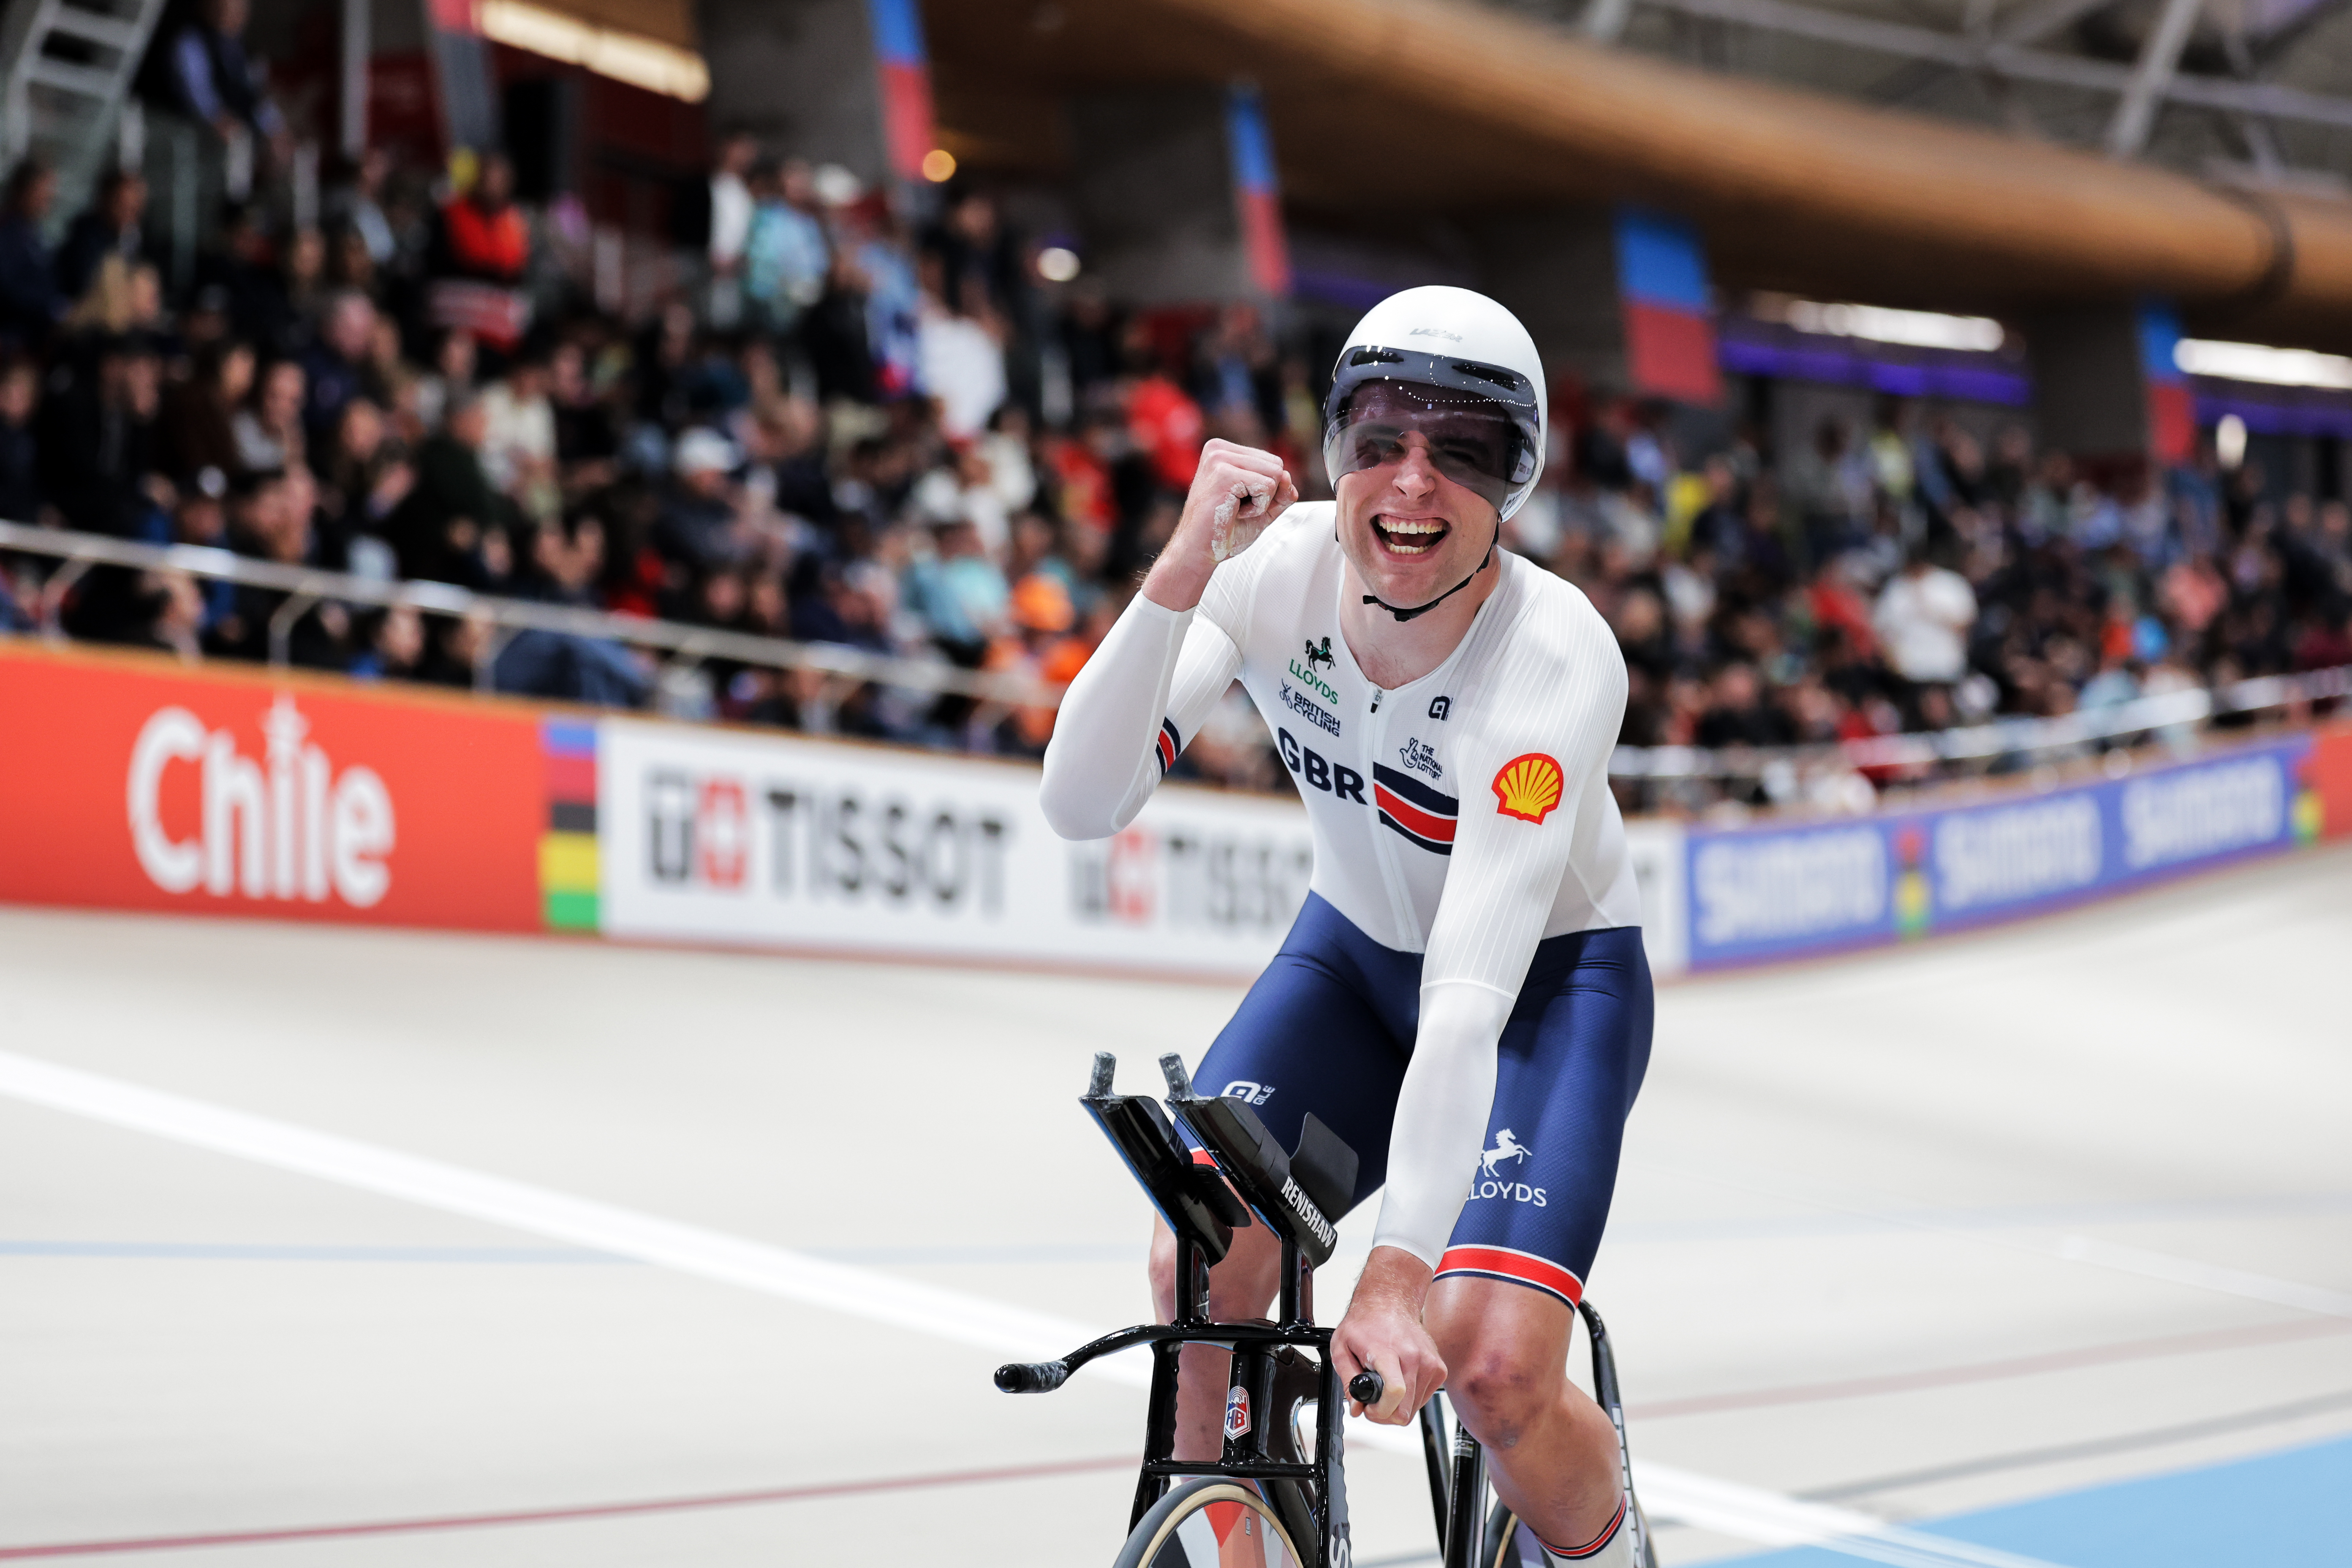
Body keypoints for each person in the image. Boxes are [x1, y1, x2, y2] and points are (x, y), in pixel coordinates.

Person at [1040, 286, 1648, 1568]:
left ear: (1515, 479)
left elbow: (1471, 998)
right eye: (1379, 438)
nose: (1411, 482)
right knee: (1197, 1268)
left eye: (1462, 450)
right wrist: (1179, 567)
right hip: (1353, 961)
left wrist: (1395, 1270)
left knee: (1487, 1368)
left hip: (1541, 999)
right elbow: (1081, 800)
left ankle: (1597, 1544)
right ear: (1335, 452)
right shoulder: (1274, 569)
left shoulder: (1555, 657)